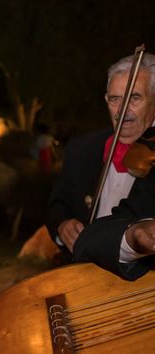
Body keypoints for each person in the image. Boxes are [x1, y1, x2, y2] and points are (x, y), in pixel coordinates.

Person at [47, 52, 155, 260]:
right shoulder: (81, 147)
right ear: (105, 100)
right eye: (115, 99)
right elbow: (57, 204)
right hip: (81, 271)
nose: (123, 110)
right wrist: (62, 225)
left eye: (135, 98)